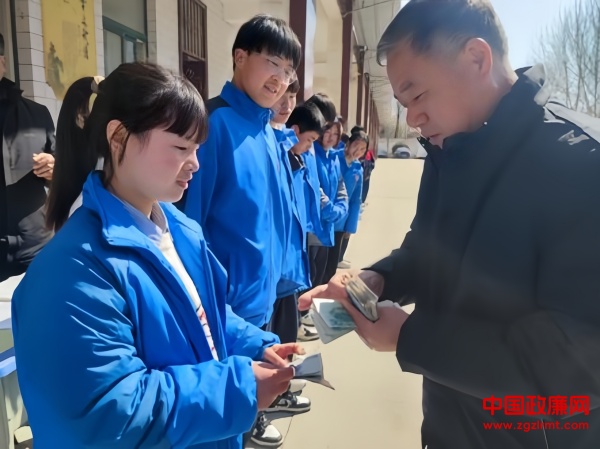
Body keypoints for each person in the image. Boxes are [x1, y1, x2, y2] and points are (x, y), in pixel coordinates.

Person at [299, 1, 600, 448]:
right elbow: (428, 249)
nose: (412, 119)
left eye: (418, 96)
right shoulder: (450, 150)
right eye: (403, 104)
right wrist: (378, 279)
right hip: (447, 426)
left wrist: (410, 338)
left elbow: (574, 365)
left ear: (477, 58)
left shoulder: (581, 163)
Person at [12, 62, 301, 449]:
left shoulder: (180, 230)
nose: (195, 163)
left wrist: (256, 345)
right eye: (181, 148)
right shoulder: (73, 271)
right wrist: (237, 387)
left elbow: (203, 315)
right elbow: (109, 413)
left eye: (196, 148)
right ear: (119, 137)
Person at [176, 15, 302, 447]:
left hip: (260, 304)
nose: (281, 79)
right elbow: (187, 226)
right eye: (273, 63)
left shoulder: (267, 130)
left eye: (288, 70)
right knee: (220, 422)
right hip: (222, 311)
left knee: (244, 413)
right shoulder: (214, 126)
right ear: (240, 57)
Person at [0, 32, 55, 280]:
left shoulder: (37, 114)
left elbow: (62, 171)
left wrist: (54, 169)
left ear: (2, 63)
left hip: (35, 247)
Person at [328, 129, 368, 275]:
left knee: (332, 264)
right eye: (356, 145)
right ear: (348, 143)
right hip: (326, 217)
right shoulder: (334, 157)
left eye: (362, 149)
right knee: (318, 263)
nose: (358, 151)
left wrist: (350, 227)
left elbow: (356, 200)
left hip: (341, 222)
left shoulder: (358, 168)